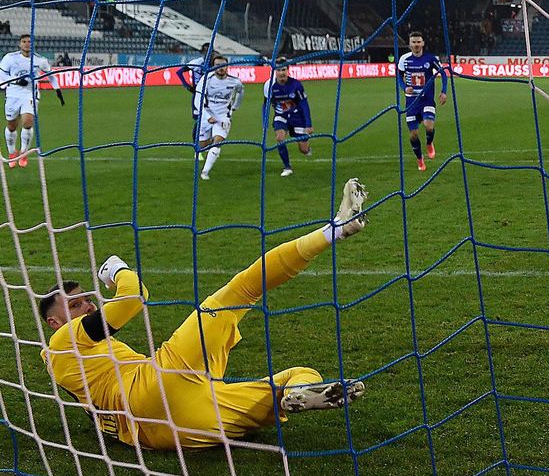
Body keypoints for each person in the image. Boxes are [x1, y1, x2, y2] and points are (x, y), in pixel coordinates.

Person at [39, 179, 369, 450]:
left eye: (86, 299)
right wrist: (117, 269)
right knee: (242, 289)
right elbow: (133, 298)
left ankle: (298, 393)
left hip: (164, 433)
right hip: (151, 384)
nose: (88, 305)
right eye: (75, 304)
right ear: (53, 322)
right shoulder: (60, 341)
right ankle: (336, 229)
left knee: (292, 377)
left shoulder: (76, 362)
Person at [0, 34, 65, 168]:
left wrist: (57, 90)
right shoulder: (10, 58)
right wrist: (15, 81)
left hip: (30, 94)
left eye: (29, 42)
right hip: (13, 94)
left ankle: (24, 153)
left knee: (28, 122)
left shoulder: (39, 60)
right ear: (20, 44)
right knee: (12, 125)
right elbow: (2, 73)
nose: (27, 44)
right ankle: (12, 152)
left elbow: (51, 75)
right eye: (24, 41)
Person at [398, 32, 448, 172]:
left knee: (428, 125)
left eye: (418, 42)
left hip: (427, 99)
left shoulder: (430, 59)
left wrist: (444, 91)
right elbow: (399, 76)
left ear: (423, 43)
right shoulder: (404, 59)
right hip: (412, 102)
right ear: (409, 44)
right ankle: (420, 159)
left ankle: (429, 142)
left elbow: (443, 73)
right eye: (413, 42)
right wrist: (404, 88)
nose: (416, 45)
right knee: (413, 134)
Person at [195, 55, 244, 180]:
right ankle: (209, 145)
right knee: (203, 145)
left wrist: (235, 107)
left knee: (218, 141)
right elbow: (197, 100)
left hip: (223, 117)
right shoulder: (206, 79)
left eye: (223, 65)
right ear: (214, 66)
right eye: (218, 65)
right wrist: (207, 117)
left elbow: (240, 92)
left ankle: (205, 172)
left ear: (227, 67)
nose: (221, 68)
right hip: (207, 115)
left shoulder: (235, 81)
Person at [263, 60, 313, 177]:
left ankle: (307, 148)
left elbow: (304, 104)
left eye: (284, 69)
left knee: (304, 149)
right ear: (275, 71)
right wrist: (264, 121)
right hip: (281, 116)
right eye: (279, 70)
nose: (281, 72)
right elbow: (265, 104)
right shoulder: (269, 85)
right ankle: (287, 167)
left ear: (288, 70)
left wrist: (308, 124)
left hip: (297, 116)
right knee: (280, 138)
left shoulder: (296, 85)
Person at [175, 43, 211, 161]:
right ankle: (197, 148)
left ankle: (206, 145)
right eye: (205, 51)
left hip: (211, 96)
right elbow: (179, 72)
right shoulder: (196, 62)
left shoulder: (214, 63)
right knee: (198, 121)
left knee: (211, 121)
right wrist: (187, 85)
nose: (207, 53)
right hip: (198, 95)